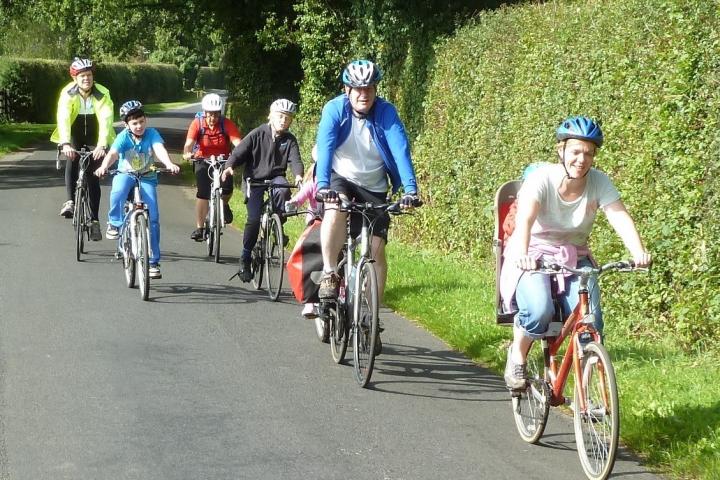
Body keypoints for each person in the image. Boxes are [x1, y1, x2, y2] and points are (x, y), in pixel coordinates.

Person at [500, 116, 652, 389]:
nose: (581, 159)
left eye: (588, 153)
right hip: (533, 253)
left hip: (574, 255)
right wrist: (522, 253)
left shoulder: (599, 182)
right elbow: (524, 219)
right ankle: (517, 355)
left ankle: (586, 396)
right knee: (539, 310)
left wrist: (638, 251)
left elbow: (619, 217)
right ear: (561, 150)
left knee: (591, 323)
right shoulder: (541, 179)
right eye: (575, 151)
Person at [314, 59, 420, 350]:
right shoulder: (334, 109)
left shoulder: (386, 112)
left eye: (370, 88)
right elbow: (324, 147)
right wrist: (323, 186)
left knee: (376, 250)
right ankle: (329, 273)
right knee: (335, 210)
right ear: (347, 90)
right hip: (340, 177)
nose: (364, 94)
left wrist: (410, 189)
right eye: (359, 89)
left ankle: (371, 318)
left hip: (374, 185)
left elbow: (400, 149)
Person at [94, 101, 180, 279]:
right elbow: (113, 154)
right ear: (127, 125)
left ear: (145, 120)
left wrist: (169, 163)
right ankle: (115, 223)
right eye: (134, 123)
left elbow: (159, 149)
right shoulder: (123, 137)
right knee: (117, 192)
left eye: (141, 121)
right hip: (126, 174)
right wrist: (103, 167)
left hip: (147, 176)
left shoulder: (152, 134)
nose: (139, 126)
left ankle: (153, 262)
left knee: (154, 218)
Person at [221, 99, 304, 281]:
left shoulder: (289, 140)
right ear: (271, 116)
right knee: (253, 219)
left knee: (283, 190)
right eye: (280, 116)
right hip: (255, 180)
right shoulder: (258, 133)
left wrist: (298, 175)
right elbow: (239, 152)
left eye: (288, 118)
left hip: (276, 178)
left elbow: (295, 160)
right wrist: (230, 166)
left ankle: (276, 225)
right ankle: (245, 256)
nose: (283, 120)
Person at [50, 57, 115, 241]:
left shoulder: (103, 93)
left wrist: (102, 144)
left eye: (89, 75)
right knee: (72, 159)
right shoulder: (68, 93)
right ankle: (70, 201)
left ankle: (94, 220)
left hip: (96, 134)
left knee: (92, 175)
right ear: (75, 79)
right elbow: (63, 118)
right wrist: (65, 143)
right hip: (75, 132)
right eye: (83, 76)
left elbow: (106, 120)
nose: (87, 79)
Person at [182, 93, 243, 241]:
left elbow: (237, 142)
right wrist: (188, 153)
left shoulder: (226, 124)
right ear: (204, 113)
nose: (213, 118)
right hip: (202, 159)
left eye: (216, 115)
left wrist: (240, 153)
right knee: (203, 192)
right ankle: (200, 228)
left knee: (227, 188)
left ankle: (224, 205)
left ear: (220, 114)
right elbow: (189, 143)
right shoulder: (197, 123)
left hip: (224, 159)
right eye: (210, 115)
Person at [286, 146, 321, 318]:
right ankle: (310, 302)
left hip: (339, 224)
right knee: (310, 259)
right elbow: (300, 197)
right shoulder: (313, 183)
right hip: (316, 225)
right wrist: (292, 204)